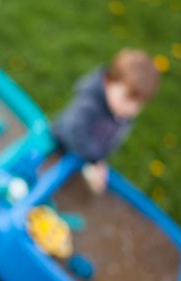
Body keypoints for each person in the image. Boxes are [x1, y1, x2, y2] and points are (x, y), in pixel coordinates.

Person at [52, 49, 160, 193]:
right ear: (108, 81)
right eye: (127, 98)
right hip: (57, 150)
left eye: (139, 104)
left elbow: (111, 139)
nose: (131, 109)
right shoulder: (89, 103)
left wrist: (98, 161)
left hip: (82, 160)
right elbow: (71, 132)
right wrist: (93, 160)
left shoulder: (121, 111)